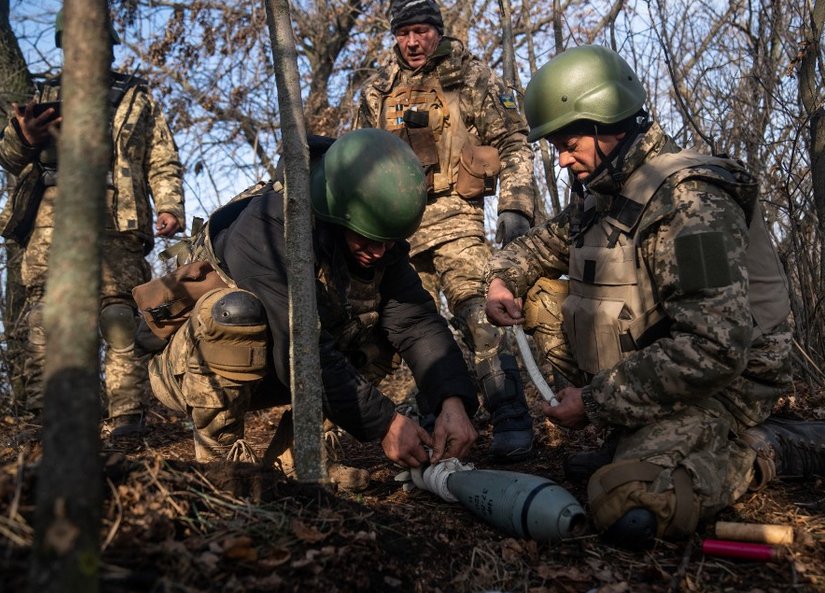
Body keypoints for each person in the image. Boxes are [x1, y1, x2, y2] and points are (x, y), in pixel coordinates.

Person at [484, 45, 825, 546]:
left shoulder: (692, 203)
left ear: (607, 121)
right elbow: (534, 247)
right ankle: (631, 438)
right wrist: (503, 279)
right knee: (545, 293)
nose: (563, 159)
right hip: (664, 372)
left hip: (728, 383)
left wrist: (593, 402)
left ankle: (769, 449)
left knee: (631, 505)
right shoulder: (608, 194)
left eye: (569, 143)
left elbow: (715, 350)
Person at [144, 129, 479, 467]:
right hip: (189, 369)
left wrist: (451, 400)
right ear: (336, 211)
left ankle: (303, 454)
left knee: (377, 329)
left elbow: (417, 323)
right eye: (368, 238)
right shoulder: (266, 229)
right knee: (237, 313)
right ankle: (222, 465)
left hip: (280, 368)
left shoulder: (379, 246)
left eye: (389, 241)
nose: (379, 252)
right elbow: (300, 347)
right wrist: (384, 424)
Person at [355, 0, 538, 461]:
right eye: (403, 34)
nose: (412, 42)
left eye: (420, 31)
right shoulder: (378, 89)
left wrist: (515, 210)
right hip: (396, 231)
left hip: (456, 217)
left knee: (479, 313)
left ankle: (510, 414)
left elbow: (514, 140)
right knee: (408, 330)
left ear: (437, 30)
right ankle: (436, 415)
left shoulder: (470, 76)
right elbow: (356, 159)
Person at [0, 11, 184, 436]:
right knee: (47, 318)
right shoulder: (43, 94)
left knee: (118, 317)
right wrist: (22, 136)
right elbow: (8, 158)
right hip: (52, 223)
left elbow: (162, 160)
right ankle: (45, 418)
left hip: (118, 225)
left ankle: (124, 418)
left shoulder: (137, 97)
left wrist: (170, 206)